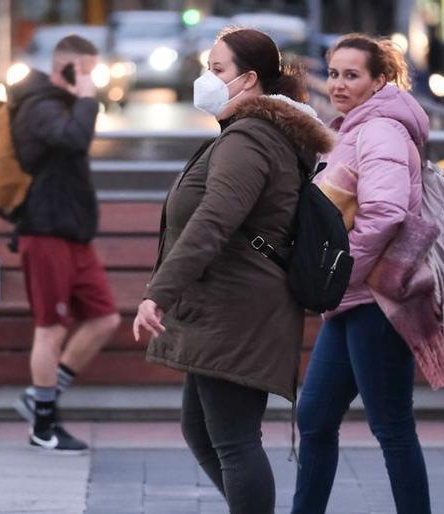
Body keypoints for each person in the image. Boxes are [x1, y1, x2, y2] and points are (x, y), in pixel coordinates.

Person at [133, 28, 331, 514]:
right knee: (203, 430)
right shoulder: (250, 134)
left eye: (217, 70)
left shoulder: (249, 139)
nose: (207, 79)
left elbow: (213, 221)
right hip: (224, 304)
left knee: (234, 441)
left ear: (248, 79)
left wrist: (158, 293)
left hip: (235, 309)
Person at [291, 34, 433, 514]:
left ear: (380, 80)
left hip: (377, 301)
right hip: (352, 300)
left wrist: (337, 271)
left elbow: (385, 213)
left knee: (391, 426)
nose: (339, 84)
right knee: (314, 417)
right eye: (333, 73)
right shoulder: (352, 130)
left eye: (352, 75)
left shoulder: (381, 131)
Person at [6, 35, 121, 453]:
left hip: (73, 235)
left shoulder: (60, 104)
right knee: (51, 330)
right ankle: (43, 426)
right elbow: (74, 140)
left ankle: (40, 397)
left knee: (104, 318)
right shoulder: (39, 106)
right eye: (88, 70)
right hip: (45, 231)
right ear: (69, 68)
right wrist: (87, 96)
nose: (93, 79)